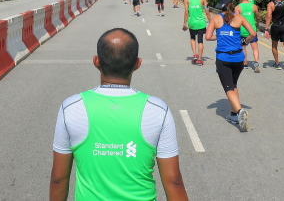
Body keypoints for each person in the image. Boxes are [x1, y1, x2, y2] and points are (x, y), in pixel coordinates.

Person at [50, 28, 188, 201]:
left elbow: (58, 179)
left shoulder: (71, 107)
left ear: (96, 61)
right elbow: (173, 181)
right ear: (137, 64)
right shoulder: (158, 110)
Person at [205, 0, 256, 131]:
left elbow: (208, 37)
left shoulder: (216, 18)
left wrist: (220, 35)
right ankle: (234, 115)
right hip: (239, 58)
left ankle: (239, 111)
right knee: (233, 85)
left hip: (223, 59)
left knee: (228, 88)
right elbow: (252, 34)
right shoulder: (239, 18)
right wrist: (244, 41)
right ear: (231, 4)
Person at [183, 0, 209, 66]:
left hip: (192, 22)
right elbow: (207, 10)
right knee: (200, 40)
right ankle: (200, 59)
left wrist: (184, 23)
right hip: (201, 23)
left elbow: (186, 12)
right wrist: (211, 21)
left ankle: (195, 54)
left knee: (192, 38)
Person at [235, 0, 261, 73]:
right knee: (255, 47)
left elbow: (236, 20)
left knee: (243, 46)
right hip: (252, 30)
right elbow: (258, 17)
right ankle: (256, 62)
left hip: (242, 30)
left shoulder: (238, 7)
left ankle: (245, 62)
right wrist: (257, 24)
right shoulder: (254, 6)